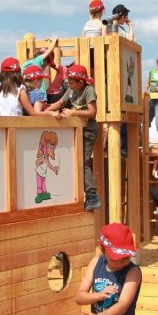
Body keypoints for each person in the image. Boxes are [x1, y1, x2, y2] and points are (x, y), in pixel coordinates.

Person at [49, 64, 101, 211]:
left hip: (88, 131)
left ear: (81, 82)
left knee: (83, 163)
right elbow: (60, 103)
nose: (69, 85)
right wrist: (43, 111)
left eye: (72, 82)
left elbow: (92, 112)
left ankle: (92, 197)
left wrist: (73, 113)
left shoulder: (88, 90)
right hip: (77, 130)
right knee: (74, 161)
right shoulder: (72, 89)